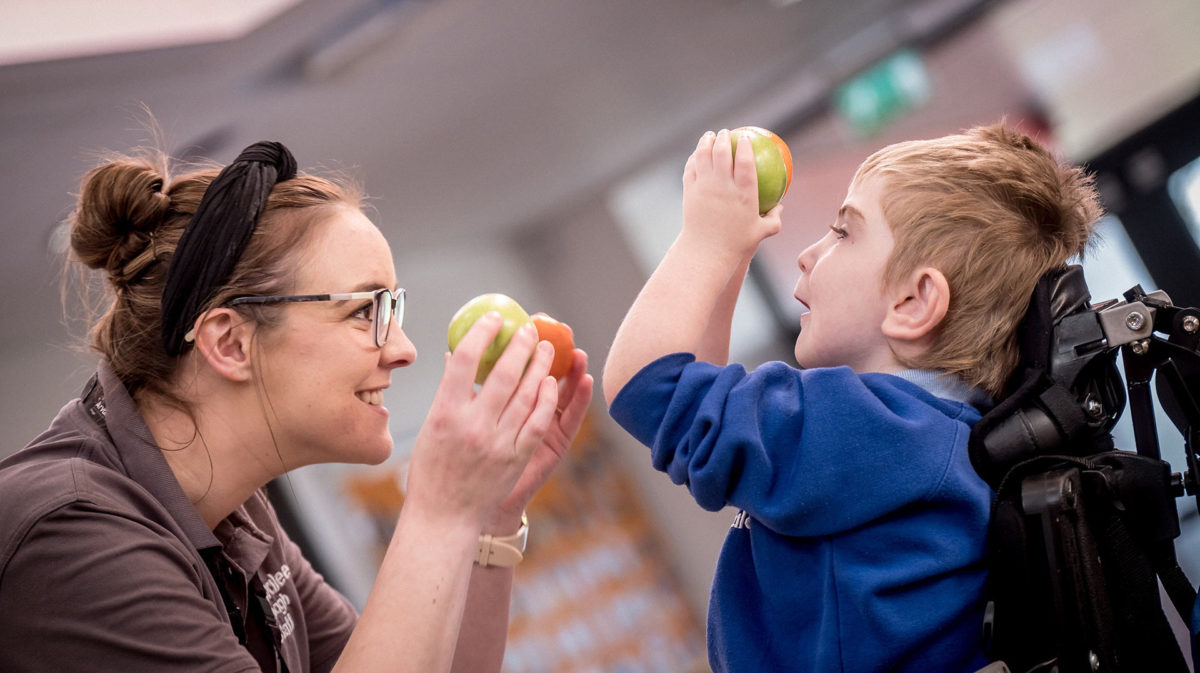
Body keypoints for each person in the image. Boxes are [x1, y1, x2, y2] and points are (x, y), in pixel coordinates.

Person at [0, 140, 593, 673]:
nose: (405, 350)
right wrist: (440, 510)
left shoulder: (238, 514)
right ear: (230, 343)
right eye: (366, 310)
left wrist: (486, 519)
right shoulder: (69, 533)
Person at [602, 124, 1101, 672]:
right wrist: (733, 255)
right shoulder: (926, 439)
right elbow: (699, 390)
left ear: (914, 301)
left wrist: (705, 240)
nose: (808, 254)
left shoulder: (862, 428)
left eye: (842, 232)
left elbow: (647, 383)